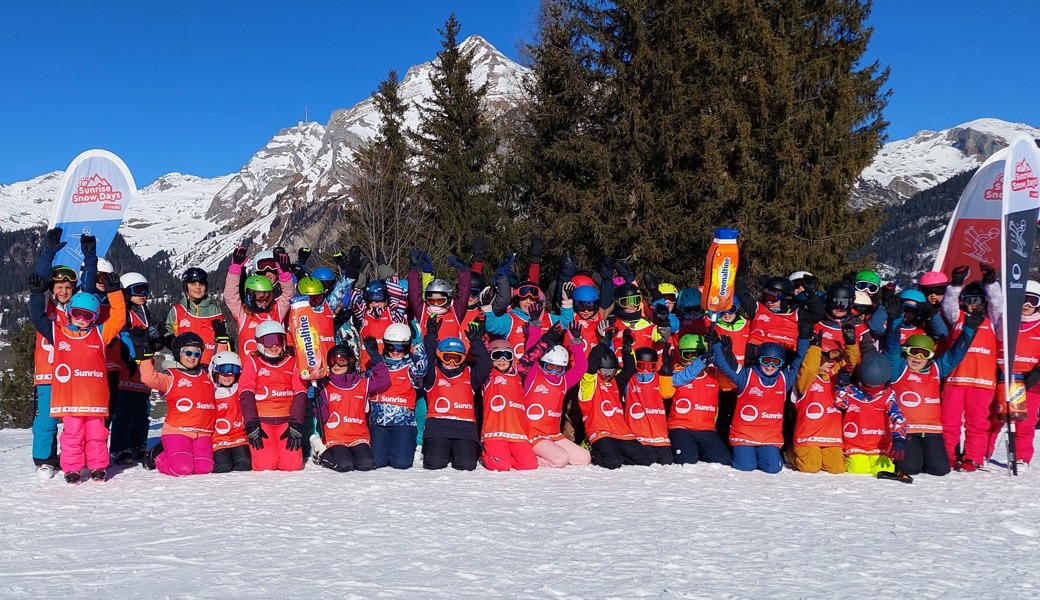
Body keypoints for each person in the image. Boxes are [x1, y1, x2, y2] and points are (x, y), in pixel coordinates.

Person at [29, 269, 125, 483]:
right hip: (70, 398)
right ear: (70, 312)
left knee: (97, 434)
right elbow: (38, 317)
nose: (82, 319)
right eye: (78, 314)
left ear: (94, 317)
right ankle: (72, 468)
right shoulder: (59, 332)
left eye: (88, 315)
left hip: (94, 399)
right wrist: (37, 293)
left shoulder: (100, 334)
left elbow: (118, 318)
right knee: (72, 435)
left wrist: (114, 292)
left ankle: (98, 466)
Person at [28, 227, 87, 478]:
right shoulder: (46, 307)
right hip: (48, 374)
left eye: (68, 287)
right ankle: (45, 459)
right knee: (47, 421)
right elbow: (38, 287)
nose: (63, 291)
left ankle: (73, 456)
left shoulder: (78, 312)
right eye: (59, 286)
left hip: (74, 376)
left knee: (74, 421)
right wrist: (47, 254)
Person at [884, 322, 977, 476]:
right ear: (906, 352)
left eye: (924, 354)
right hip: (906, 430)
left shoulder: (936, 369)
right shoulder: (899, 369)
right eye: (914, 352)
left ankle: (921, 456)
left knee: (940, 469)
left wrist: (970, 328)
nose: (918, 358)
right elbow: (891, 348)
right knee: (911, 468)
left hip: (931, 430)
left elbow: (955, 354)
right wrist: (894, 319)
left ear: (929, 357)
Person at [710, 330, 808, 474]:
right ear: (759, 360)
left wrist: (804, 339)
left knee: (773, 468)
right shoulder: (747, 376)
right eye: (766, 361)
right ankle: (743, 453)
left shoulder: (784, 379)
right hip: (745, 434)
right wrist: (717, 346)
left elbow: (799, 361)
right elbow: (726, 366)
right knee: (746, 466)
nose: (770, 367)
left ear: (781, 364)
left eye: (775, 363)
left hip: (769, 436)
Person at [131, 330, 216, 477]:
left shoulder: (205, 375)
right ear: (178, 353)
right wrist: (145, 354)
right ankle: (156, 457)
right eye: (188, 353)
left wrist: (221, 341)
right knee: (182, 468)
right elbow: (149, 379)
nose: (192, 358)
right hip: (178, 431)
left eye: (197, 354)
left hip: (202, 433)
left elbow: (218, 364)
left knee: (204, 468)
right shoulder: (171, 376)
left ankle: (173, 452)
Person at [940, 265, 1000, 471]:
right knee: (949, 421)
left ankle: (972, 456)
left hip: (982, 382)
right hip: (956, 379)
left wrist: (991, 283)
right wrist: (955, 284)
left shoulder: (993, 321)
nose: (973, 306)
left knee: (977, 423)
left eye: (977, 301)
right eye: (969, 301)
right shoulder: (958, 318)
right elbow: (948, 305)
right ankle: (948, 454)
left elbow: (998, 306)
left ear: (984, 302)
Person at [421, 319, 491, 470]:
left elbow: (485, 366)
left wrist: (476, 342)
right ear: (440, 356)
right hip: (438, 426)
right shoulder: (433, 374)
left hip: (464, 428)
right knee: (434, 463)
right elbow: (427, 357)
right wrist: (431, 335)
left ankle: (455, 451)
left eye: (457, 358)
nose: (452, 361)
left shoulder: (470, 374)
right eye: (448, 357)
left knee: (466, 465)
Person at [238, 321, 308, 471]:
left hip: (286, 421)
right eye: (269, 342)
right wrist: (252, 424)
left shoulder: (292, 363)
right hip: (262, 422)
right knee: (264, 466)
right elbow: (245, 393)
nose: (274, 346)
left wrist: (295, 424)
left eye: (278, 340)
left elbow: (300, 393)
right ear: (260, 344)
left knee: (292, 466)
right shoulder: (253, 363)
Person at [111, 272, 165, 464]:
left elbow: (154, 337)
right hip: (129, 367)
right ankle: (119, 447)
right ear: (126, 293)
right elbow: (123, 336)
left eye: (146, 290)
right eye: (137, 290)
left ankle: (138, 444)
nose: (143, 294)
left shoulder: (147, 314)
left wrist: (159, 339)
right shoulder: (126, 313)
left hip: (145, 368)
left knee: (142, 410)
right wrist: (132, 353)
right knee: (124, 410)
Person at [313, 340, 391, 472]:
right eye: (332, 361)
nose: (336, 365)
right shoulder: (326, 387)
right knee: (344, 465)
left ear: (350, 362)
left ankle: (347, 454)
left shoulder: (362, 383)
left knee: (366, 464)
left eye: (341, 360)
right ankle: (321, 452)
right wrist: (317, 399)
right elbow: (324, 417)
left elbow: (384, 381)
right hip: (336, 436)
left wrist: (377, 359)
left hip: (357, 436)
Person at [789, 326, 858, 474]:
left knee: (837, 468)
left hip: (830, 436)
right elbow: (808, 369)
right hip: (808, 435)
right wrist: (815, 348)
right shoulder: (805, 380)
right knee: (810, 467)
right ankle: (790, 452)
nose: (831, 363)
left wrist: (851, 344)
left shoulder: (834, 376)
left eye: (834, 359)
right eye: (827, 359)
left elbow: (848, 364)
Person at [578, 336, 654, 469]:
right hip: (601, 432)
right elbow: (590, 367)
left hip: (622, 433)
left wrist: (627, 349)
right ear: (598, 369)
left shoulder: (614, 382)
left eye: (611, 371)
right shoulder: (590, 383)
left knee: (646, 460)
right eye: (604, 371)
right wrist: (602, 343)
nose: (607, 375)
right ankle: (591, 449)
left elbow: (629, 370)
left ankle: (618, 455)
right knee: (612, 462)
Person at [833, 351, 908, 477]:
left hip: (879, 445)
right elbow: (840, 403)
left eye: (876, 386)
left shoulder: (887, 395)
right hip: (855, 442)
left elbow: (897, 416)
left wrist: (899, 439)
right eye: (867, 385)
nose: (872, 389)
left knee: (884, 470)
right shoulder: (852, 391)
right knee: (859, 469)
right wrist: (841, 384)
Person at [525, 324, 591, 468]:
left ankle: (541, 453)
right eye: (550, 367)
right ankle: (526, 458)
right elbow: (530, 355)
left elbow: (581, 367)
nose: (554, 372)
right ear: (542, 364)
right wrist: (535, 328)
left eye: (559, 368)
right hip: (533, 434)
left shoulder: (563, 381)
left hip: (553, 435)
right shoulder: (533, 376)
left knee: (584, 458)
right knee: (561, 459)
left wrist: (576, 342)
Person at [368, 323, 428, 469]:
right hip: (379, 423)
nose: (395, 351)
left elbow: (422, 369)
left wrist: (418, 342)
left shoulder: (410, 367)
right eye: (390, 347)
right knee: (376, 462)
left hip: (403, 424)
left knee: (401, 463)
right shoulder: (376, 365)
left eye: (400, 347)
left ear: (407, 347)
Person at [666, 334, 731, 466]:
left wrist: (726, 355)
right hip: (681, 426)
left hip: (706, 428)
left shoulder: (713, 374)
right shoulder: (676, 373)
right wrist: (701, 361)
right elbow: (681, 378)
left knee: (723, 460)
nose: (694, 359)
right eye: (688, 355)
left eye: (699, 354)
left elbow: (730, 381)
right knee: (687, 459)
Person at [224, 246, 294, 356]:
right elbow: (231, 296)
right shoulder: (243, 315)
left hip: (273, 367)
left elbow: (288, 295)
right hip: (250, 370)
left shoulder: (275, 311)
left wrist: (285, 275)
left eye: (268, 296)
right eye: (259, 297)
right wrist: (235, 269)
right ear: (250, 296)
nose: (264, 301)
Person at [623, 341, 674, 465]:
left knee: (667, 461)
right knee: (647, 460)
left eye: (650, 367)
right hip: (639, 435)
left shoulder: (661, 378)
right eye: (641, 366)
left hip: (659, 436)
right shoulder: (630, 380)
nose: (645, 371)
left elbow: (684, 377)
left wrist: (702, 361)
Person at [166, 267, 229, 366]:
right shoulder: (177, 311)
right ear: (185, 286)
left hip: (210, 365)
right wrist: (171, 341)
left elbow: (225, 338)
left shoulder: (214, 310)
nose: (198, 287)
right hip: (184, 365)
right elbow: (168, 333)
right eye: (193, 284)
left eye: (202, 284)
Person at [209, 351, 252, 473]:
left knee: (245, 463)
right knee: (223, 465)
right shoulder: (211, 391)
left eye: (233, 370)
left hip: (238, 436)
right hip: (218, 438)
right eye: (223, 369)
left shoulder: (240, 389)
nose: (228, 374)